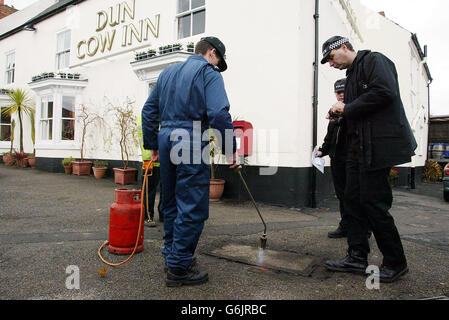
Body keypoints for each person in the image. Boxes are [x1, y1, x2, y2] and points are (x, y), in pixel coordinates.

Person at [142, 36, 237, 287]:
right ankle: (179, 268)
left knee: (171, 201)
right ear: (212, 53)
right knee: (192, 205)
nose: (217, 66)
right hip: (191, 139)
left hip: (166, 139)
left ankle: (172, 256)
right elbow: (218, 113)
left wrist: (153, 145)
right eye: (218, 61)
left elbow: (149, 110)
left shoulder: (167, 74)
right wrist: (230, 149)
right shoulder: (209, 73)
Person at [320, 36, 417, 283]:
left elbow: (385, 92)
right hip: (356, 149)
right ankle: (356, 256)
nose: (331, 64)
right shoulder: (352, 75)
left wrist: (346, 108)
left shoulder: (375, 60)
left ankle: (396, 262)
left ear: (343, 47)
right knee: (351, 201)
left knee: (374, 205)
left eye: (331, 58)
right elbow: (359, 111)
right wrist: (339, 114)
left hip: (377, 148)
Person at [316, 79, 350, 238]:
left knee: (355, 196)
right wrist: (322, 151)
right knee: (342, 195)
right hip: (337, 160)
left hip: (352, 160)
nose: (341, 94)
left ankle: (361, 229)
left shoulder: (353, 110)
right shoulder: (334, 115)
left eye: (343, 91)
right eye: (338, 92)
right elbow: (329, 138)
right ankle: (345, 226)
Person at [136, 114, 163, 227]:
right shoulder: (147, 116)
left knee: (164, 190)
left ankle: (162, 215)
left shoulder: (151, 114)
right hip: (151, 158)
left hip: (161, 159)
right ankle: (147, 216)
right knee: (149, 190)